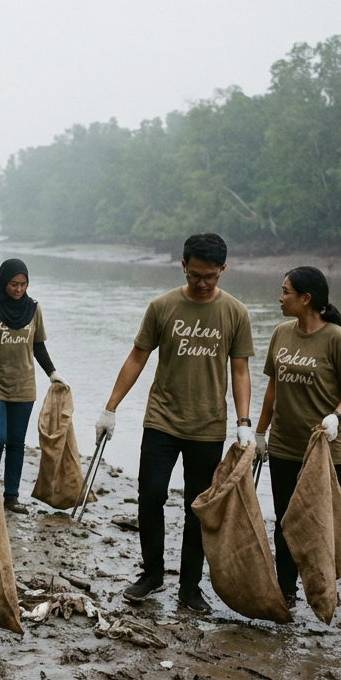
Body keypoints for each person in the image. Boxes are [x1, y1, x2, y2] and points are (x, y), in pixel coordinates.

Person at [95, 232, 254, 614]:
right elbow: (138, 356)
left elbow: (241, 368)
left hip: (208, 425)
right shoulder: (162, 306)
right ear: (183, 266)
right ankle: (151, 574)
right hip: (162, 420)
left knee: (197, 507)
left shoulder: (235, 312)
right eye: (195, 275)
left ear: (223, 270)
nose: (202, 283)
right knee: (150, 496)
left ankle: (190, 586)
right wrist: (110, 408)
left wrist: (244, 421)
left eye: (210, 277)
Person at [256, 266, 341, 633]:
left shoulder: (337, 339)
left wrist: (336, 416)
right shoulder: (280, 333)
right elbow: (272, 390)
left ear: (306, 299)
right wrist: (258, 435)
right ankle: (285, 594)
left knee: (339, 528)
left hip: (326, 452)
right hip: (285, 447)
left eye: (286, 291)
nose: (280, 297)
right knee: (285, 524)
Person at [0, 258, 66, 514]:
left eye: (23, 284)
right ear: (3, 282)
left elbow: (38, 346)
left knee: (16, 443)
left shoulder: (33, 308)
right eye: (13, 284)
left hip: (23, 387)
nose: (19, 289)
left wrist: (52, 373)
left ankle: (11, 497)